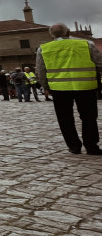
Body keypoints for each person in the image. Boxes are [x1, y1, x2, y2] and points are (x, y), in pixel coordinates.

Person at [36, 23, 102, 155]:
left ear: (52, 35)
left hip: (59, 89)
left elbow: (41, 71)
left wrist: (45, 86)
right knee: (89, 117)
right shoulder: (86, 44)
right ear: (68, 32)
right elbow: (100, 63)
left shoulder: (43, 49)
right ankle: (91, 146)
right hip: (85, 86)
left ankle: (74, 146)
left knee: (65, 119)